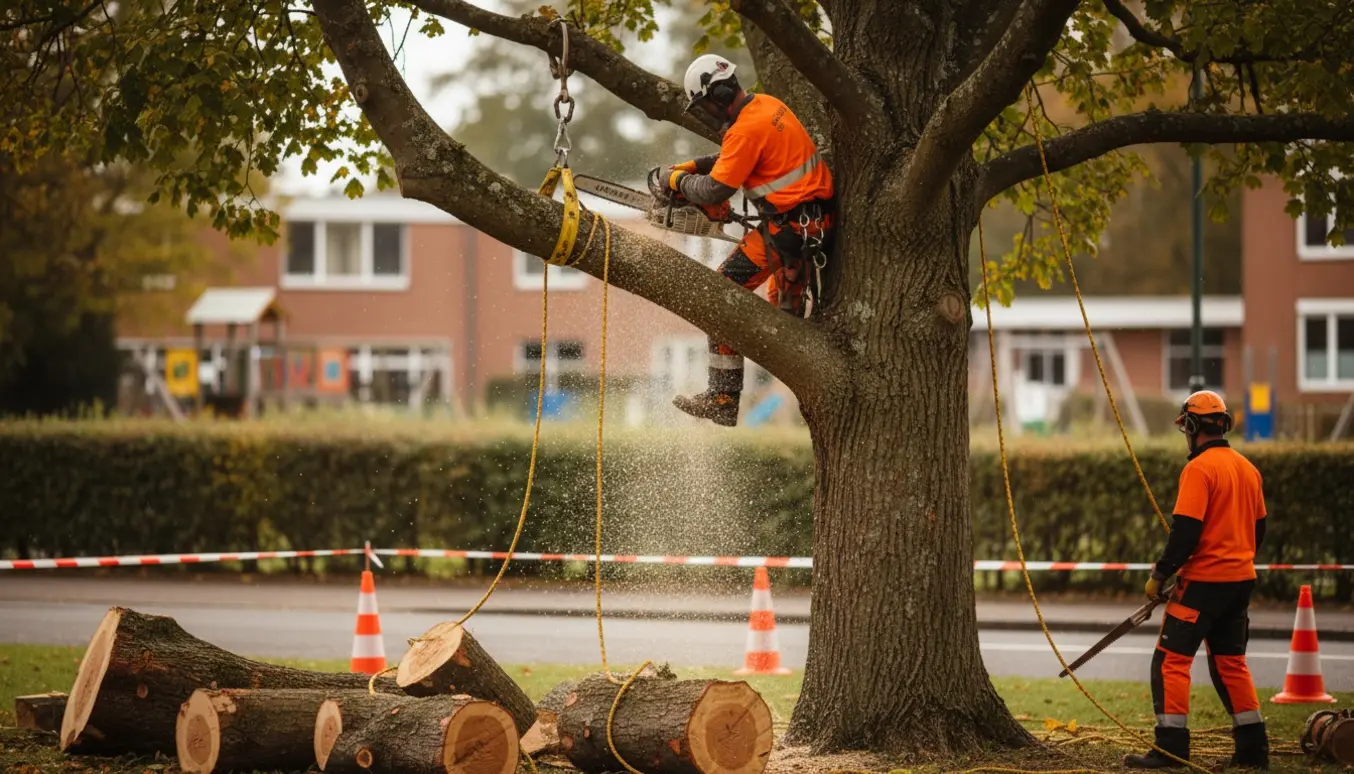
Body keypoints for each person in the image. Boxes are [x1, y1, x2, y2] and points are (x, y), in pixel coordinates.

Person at [652, 53, 835, 428]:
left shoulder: (744, 130)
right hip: (806, 225)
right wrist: (693, 166)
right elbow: (735, 157)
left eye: (705, 104)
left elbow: (717, 189)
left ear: (717, 94)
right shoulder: (768, 105)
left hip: (789, 234)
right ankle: (735, 392)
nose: (707, 112)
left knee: (720, 295)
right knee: (782, 318)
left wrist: (676, 181)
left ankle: (723, 397)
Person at [1124, 390, 1269, 770]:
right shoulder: (1247, 469)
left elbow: (1186, 532)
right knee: (1230, 663)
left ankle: (1171, 751)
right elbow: (1260, 529)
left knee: (1170, 662)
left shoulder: (1199, 470)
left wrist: (1159, 575)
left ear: (1190, 427)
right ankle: (1253, 752)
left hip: (1203, 583)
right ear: (1223, 425)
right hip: (1240, 582)